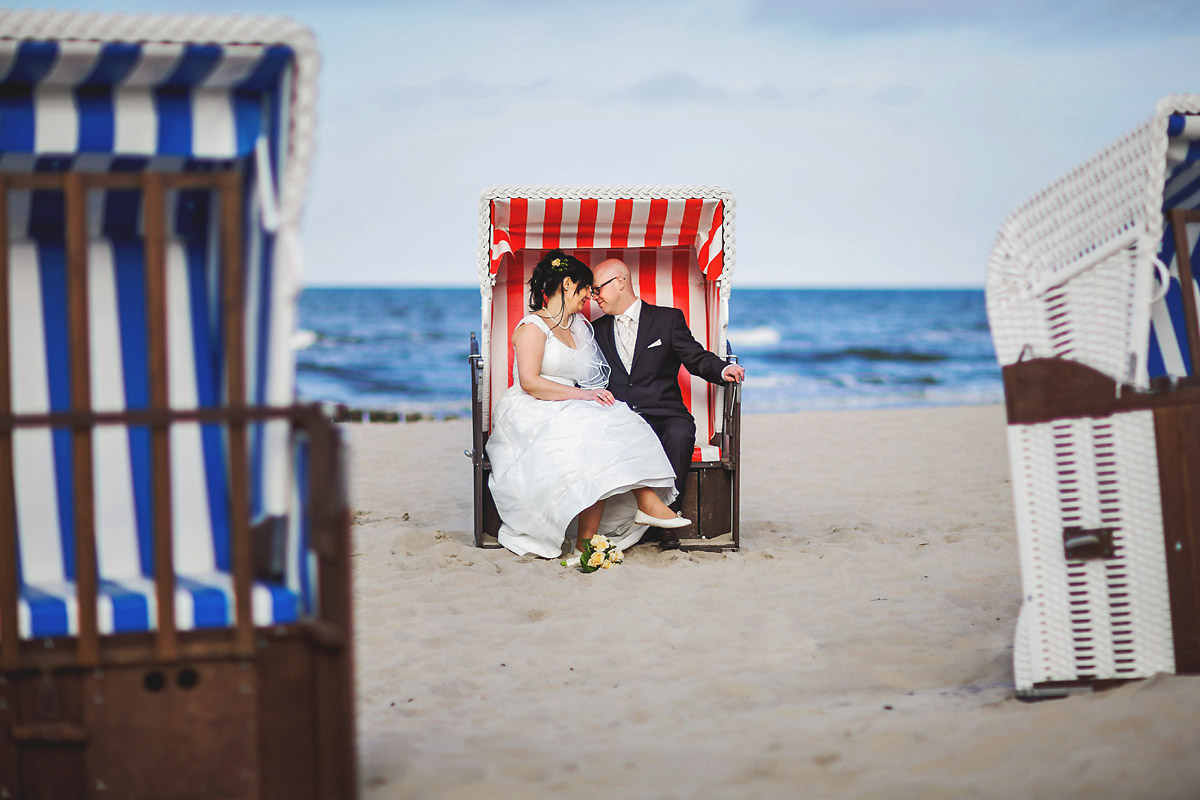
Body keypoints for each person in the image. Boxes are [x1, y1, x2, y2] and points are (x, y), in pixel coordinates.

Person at [485, 249, 691, 561]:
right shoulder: (532, 327)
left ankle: (591, 538)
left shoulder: (577, 327)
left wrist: (594, 397)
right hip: (533, 406)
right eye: (585, 289)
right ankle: (642, 505)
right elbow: (530, 382)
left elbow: (594, 379)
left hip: (569, 404)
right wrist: (584, 397)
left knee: (615, 419)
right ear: (567, 284)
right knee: (594, 430)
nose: (589, 298)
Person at [590, 257, 746, 547]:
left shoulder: (667, 319)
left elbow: (696, 357)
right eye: (592, 292)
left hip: (664, 413)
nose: (595, 296)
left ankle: (667, 519)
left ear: (620, 282)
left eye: (598, 289)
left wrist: (724, 369)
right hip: (619, 417)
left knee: (680, 433)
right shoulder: (595, 331)